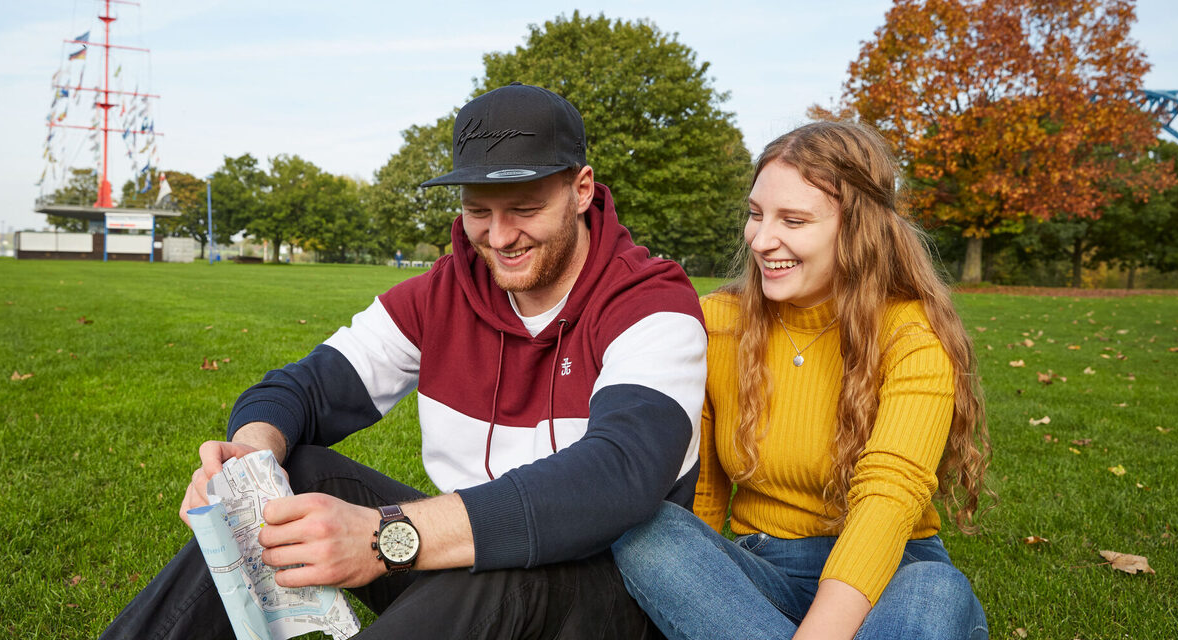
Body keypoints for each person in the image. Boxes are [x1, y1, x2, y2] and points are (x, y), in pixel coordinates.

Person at [101, 82, 707, 639]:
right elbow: (304, 389)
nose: (498, 238)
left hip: (611, 594)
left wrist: (385, 537)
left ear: (581, 190)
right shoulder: (443, 295)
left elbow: (620, 474)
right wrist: (250, 457)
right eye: (477, 211)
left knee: (508, 559)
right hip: (464, 564)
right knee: (299, 469)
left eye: (523, 208)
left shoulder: (651, 303)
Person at [611, 121, 992, 640]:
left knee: (934, 589)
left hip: (891, 577)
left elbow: (889, 497)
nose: (762, 240)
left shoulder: (910, 333)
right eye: (755, 214)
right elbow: (700, 496)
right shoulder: (719, 322)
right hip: (765, 572)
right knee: (646, 530)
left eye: (793, 220)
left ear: (859, 229)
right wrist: (699, 592)